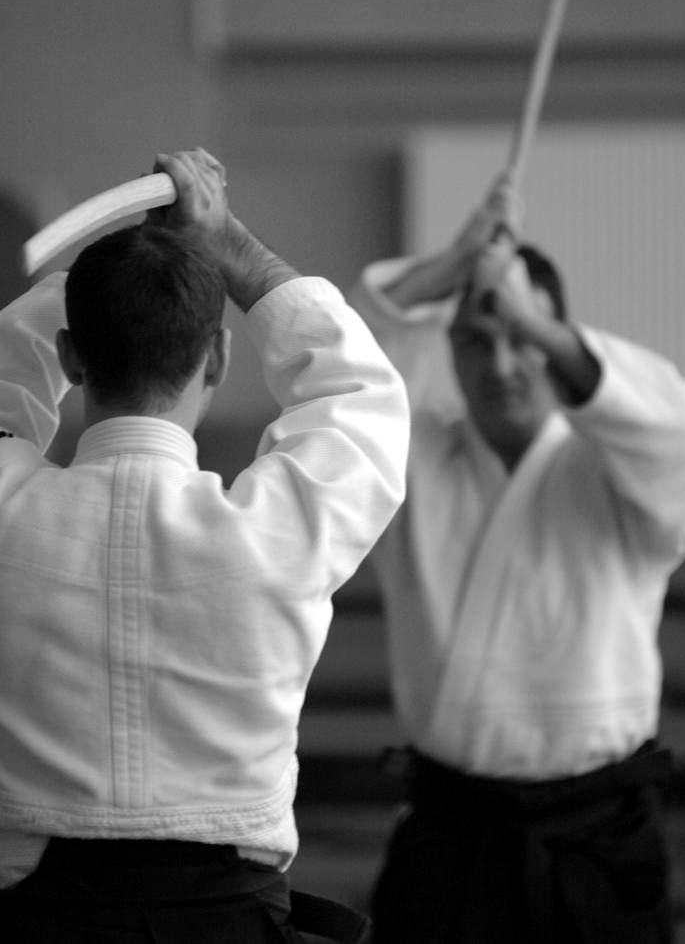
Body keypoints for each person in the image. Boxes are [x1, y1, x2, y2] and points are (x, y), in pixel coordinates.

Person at [0, 148, 409, 943]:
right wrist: (233, 249)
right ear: (217, 355)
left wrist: (104, 272)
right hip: (230, 921)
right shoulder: (278, 530)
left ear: (72, 355)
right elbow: (358, 395)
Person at [350, 174, 685, 944]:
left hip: (599, 838)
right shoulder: (413, 463)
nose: (503, 363)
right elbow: (345, 375)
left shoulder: (621, 471)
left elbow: (684, 431)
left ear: (556, 338)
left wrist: (532, 318)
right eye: (477, 339)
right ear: (449, 350)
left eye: (522, 340)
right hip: (452, 830)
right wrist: (454, 262)